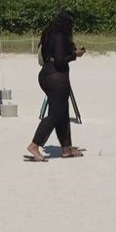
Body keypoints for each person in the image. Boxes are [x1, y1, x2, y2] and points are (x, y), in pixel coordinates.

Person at [26, 11, 86, 161]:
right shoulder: (60, 35)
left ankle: (66, 149)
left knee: (63, 112)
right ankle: (34, 144)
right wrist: (75, 55)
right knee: (56, 114)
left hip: (47, 74)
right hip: (56, 77)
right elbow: (59, 60)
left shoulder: (49, 32)